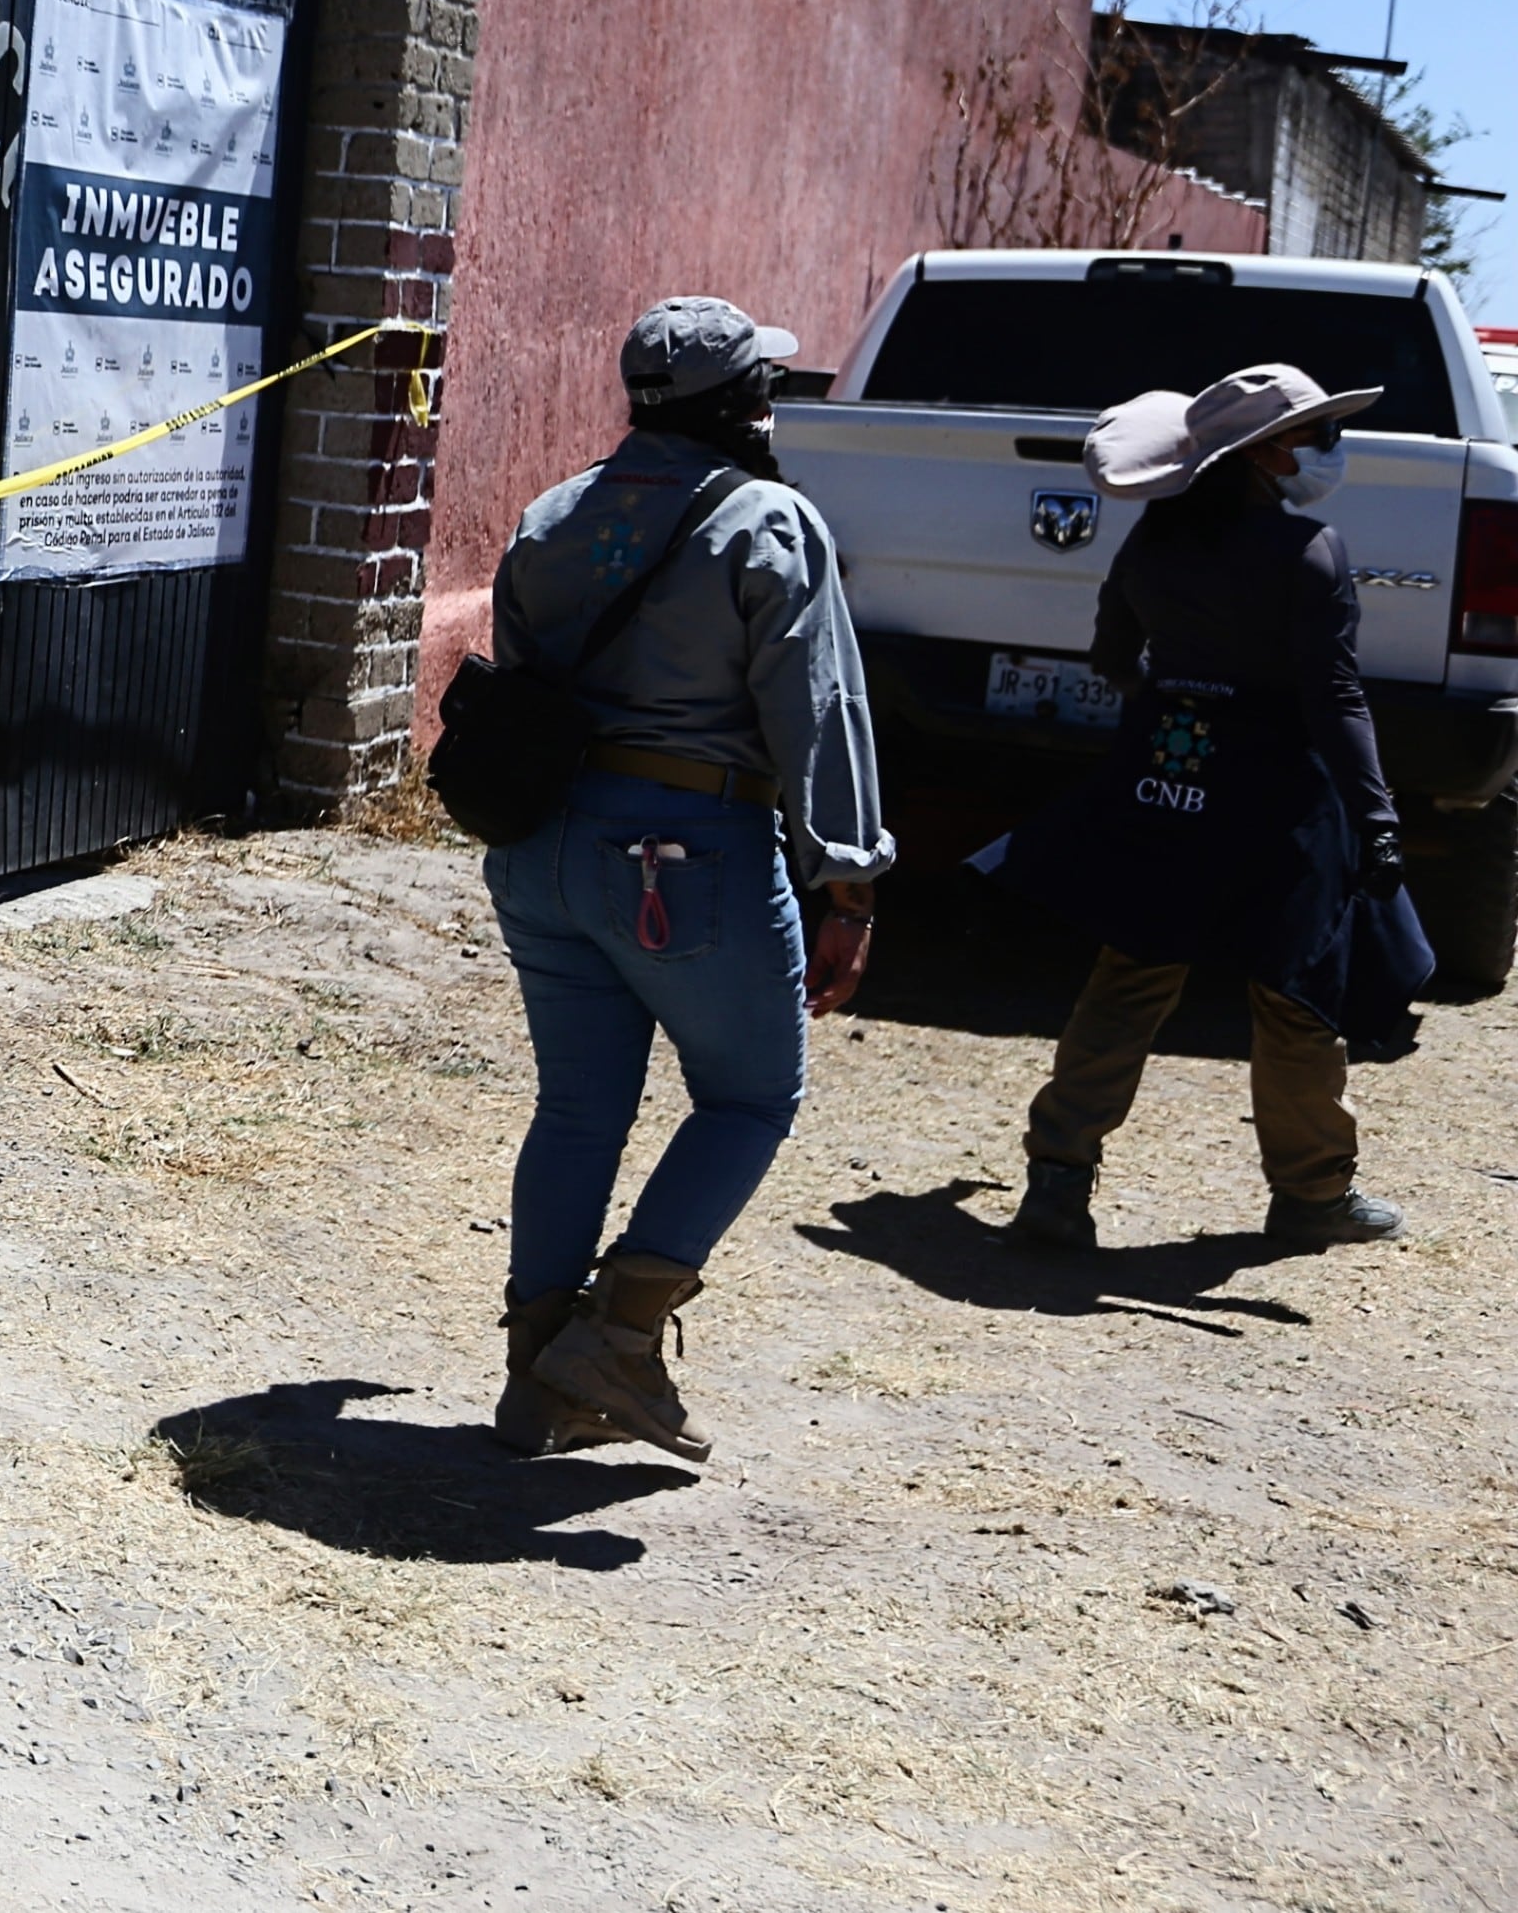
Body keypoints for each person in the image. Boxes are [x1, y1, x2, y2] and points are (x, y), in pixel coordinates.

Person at [480, 297, 889, 1463]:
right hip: (685, 852)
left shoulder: (551, 512)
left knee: (576, 1107)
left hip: (542, 848)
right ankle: (615, 1338)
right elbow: (818, 715)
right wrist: (847, 886)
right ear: (744, 401)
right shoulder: (769, 520)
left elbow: (517, 680)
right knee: (751, 1096)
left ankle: (536, 1373)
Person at [993, 367, 1422, 1254]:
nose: (1318, 451)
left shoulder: (1153, 541)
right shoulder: (1311, 549)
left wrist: (1177, 706)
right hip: (1280, 799)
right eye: (1308, 435)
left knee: (1131, 974)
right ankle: (1312, 1193)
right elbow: (1335, 698)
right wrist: (1376, 818)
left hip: (1169, 781)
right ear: (1265, 452)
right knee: (1297, 990)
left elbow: (1113, 649)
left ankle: (1057, 1183)